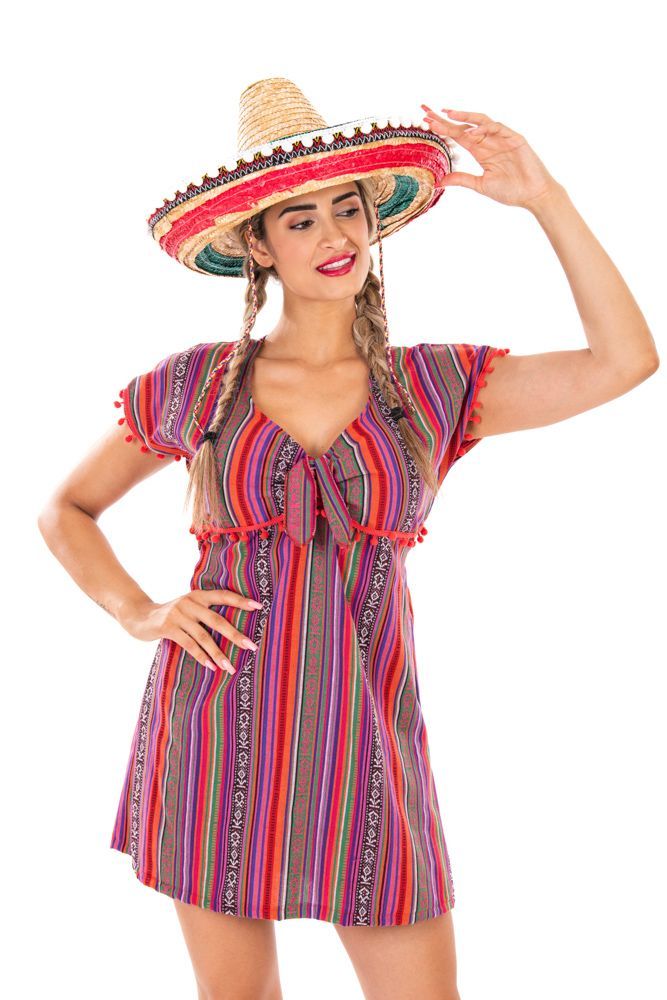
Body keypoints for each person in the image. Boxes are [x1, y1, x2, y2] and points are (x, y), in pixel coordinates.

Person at [37, 77, 658, 1000]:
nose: (334, 236)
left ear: (372, 221)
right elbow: (67, 510)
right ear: (258, 244)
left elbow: (625, 360)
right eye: (301, 220)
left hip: (366, 740)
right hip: (216, 729)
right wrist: (138, 611)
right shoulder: (198, 383)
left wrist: (545, 200)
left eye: (347, 210)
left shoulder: (433, 386)